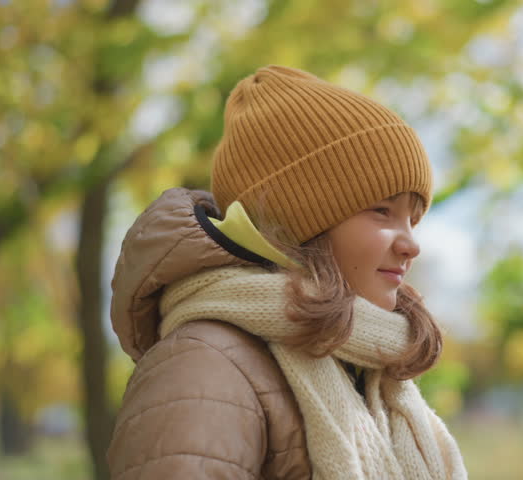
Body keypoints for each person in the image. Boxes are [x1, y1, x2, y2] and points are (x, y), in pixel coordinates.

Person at [106, 65, 467, 479]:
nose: (411, 244)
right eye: (382, 211)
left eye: (413, 219)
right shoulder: (204, 365)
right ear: (300, 220)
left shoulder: (364, 368)